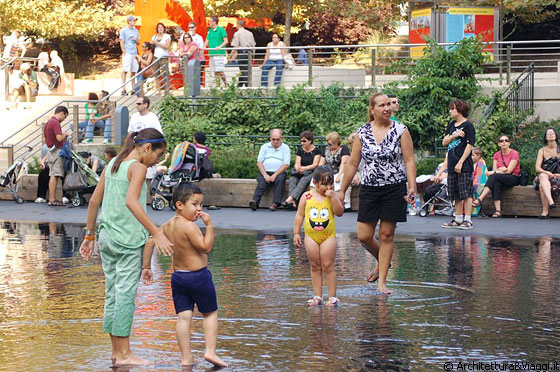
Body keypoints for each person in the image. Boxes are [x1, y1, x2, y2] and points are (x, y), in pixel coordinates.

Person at [79, 128, 173, 367]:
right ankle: (124, 355)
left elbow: (93, 201)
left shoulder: (113, 164)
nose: (157, 161)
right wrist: (156, 232)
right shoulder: (138, 167)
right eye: (158, 155)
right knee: (125, 296)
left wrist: (89, 236)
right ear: (147, 147)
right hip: (128, 240)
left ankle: (116, 352)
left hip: (106, 237)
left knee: (112, 293)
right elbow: (132, 201)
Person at [338, 93, 417, 295]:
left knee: (387, 235)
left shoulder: (401, 130)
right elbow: (353, 163)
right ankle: (383, 261)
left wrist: (412, 186)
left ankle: (382, 282)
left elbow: (409, 160)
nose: (387, 108)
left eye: (389, 104)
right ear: (372, 110)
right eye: (382, 105)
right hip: (369, 188)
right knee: (364, 235)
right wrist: (342, 190)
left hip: (394, 188)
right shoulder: (362, 133)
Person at [141, 183, 227, 367]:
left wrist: (146, 267)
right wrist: (210, 226)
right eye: (195, 204)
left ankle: (186, 357)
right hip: (199, 276)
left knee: (183, 317)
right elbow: (206, 247)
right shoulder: (189, 226)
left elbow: (150, 242)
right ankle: (210, 351)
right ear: (180, 205)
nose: (199, 209)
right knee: (210, 313)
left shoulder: (166, 226)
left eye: (201, 205)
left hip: (178, 277)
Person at [293, 166, 344, 306]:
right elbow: (300, 215)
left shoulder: (333, 196)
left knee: (328, 265)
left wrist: (333, 197)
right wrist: (296, 233)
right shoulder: (307, 196)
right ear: (315, 183)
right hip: (311, 236)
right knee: (315, 265)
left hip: (328, 236)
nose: (328, 187)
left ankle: (333, 297)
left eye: (330, 183)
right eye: (324, 184)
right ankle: (317, 296)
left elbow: (339, 212)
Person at [441, 99, 476, 229]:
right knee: (455, 193)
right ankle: (458, 218)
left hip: (464, 165)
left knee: (465, 192)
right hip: (451, 162)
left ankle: (468, 219)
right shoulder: (451, 125)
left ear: (460, 110)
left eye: (452, 109)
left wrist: (461, 162)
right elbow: (444, 142)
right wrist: (454, 135)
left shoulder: (468, 126)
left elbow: (470, 145)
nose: (450, 111)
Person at [472, 134, 521, 218]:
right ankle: (498, 211)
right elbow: (495, 170)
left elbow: (509, 170)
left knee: (494, 177)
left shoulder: (514, 154)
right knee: (496, 183)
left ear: (509, 143)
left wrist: (499, 170)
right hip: (500, 177)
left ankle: (480, 198)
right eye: (501, 141)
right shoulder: (496, 155)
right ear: (499, 144)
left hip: (513, 177)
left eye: (506, 140)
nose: (504, 142)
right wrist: (502, 169)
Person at [250, 129, 291, 211]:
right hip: (265, 171)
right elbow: (259, 162)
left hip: (279, 172)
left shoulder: (285, 148)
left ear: (281, 138)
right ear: (270, 138)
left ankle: (275, 203)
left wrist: (274, 175)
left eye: (278, 139)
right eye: (273, 139)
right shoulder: (264, 147)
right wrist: (265, 175)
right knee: (261, 183)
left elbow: (286, 164)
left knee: (280, 180)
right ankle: (255, 202)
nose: (275, 141)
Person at [282, 131, 322, 210]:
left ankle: (289, 200)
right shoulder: (300, 151)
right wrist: (298, 167)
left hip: (311, 171)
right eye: (301, 141)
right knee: (292, 179)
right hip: (300, 171)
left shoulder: (316, 151)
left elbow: (315, 165)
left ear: (310, 141)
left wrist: (304, 168)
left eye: (304, 141)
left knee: (303, 180)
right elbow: (297, 163)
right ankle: (293, 203)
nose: (302, 143)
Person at [314, 132, 352, 211]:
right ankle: (315, 199)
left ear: (336, 143)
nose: (328, 146)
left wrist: (339, 175)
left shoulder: (343, 149)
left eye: (330, 144)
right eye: (328, 144)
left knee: (340, 179)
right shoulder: (327, 149)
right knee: (316, 178)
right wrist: (318, 172)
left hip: (339, 170)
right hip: (327, 171)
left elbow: (343, 163)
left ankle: (344, 203)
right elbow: (321, 162)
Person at [44, 106, 71, 206]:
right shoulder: (55, 123)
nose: (64, 120)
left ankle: (52, 198)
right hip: (56, 151)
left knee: (53, 174)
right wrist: (65, 134)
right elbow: (59, 138)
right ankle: (52, 199)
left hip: (50, 150)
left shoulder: (48, 123)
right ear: (62, 113)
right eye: (65, 117)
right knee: (55, 175)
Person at [534, 128, 560, 219]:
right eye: (548, 133)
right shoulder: (542, 150)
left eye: (552, 133)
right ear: (545, 137)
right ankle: (551, 202)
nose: (551, 134)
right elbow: (537, 168)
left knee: (542, 186)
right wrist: (547, 172)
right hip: (546, 176)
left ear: (556, 136)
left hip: (558, 177)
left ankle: (545, 211)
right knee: (542, 175)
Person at [229, 20, 256, 87]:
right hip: (249, 52)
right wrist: (253, 56)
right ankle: (239, 86)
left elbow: (235, 47)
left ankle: (248, 86)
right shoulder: (250, 33)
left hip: (242, 53)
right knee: (245, 70)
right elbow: (253, 45)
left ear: (238, 24)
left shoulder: (237, 33)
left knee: (243, 70)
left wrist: (230, 56)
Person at [204, 16, 228, 88]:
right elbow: (206, 41)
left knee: (220, 70)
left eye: (210, 21)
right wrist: (202, 48)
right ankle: (218, 86)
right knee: (215, 71)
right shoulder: (210, 31)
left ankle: (226, 83)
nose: (209, 23)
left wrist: (220, 46)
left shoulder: (221, 30)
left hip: (219, 53)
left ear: (214, 22)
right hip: (212, 53)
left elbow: (226, 40)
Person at [119, 16, 140, 95]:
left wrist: (136, 40)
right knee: (125, 70)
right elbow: (121, 41)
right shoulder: (124, 30)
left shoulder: (136, 31)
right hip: (127, 52)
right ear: (129, 21)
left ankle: (133, 89)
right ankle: (123, 88)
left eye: (135, 20)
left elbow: (138, 42)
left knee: (133, 70)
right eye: (133, 20)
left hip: (134, 52)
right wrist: (124, 51)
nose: (135, 22)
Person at [471, 147, 487, 217]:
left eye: (473, 155)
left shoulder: (481, 163)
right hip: (473, 180)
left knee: (476, 186)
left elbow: (480, 176)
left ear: (479, 156)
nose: (471, 157)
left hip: (480, 181)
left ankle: (474, 208)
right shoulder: (471, 163)